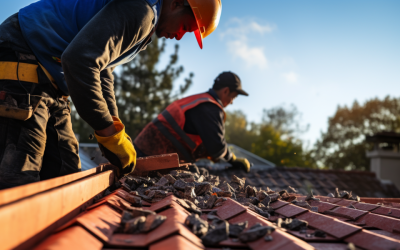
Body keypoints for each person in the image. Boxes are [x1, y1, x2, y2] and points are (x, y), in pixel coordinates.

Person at [0, 0, 222, 189]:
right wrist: (107, 130)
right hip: (22, 53)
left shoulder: (143, 22)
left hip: (51, 81)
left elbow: (102, 71)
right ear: (175, 3)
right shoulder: (141, 11)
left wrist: (115, 129)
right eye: (185, 26)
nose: (180, 36)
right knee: (20, 172)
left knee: (64, 173)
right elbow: (79, 62)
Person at [134, 71, 251, 172]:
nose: (232, 102)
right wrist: (233, 159)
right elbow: (216, 147)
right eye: (234, 97)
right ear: (226, 91)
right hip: (151, 156)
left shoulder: (200, 100)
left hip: (143, 149)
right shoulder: (211, 108)